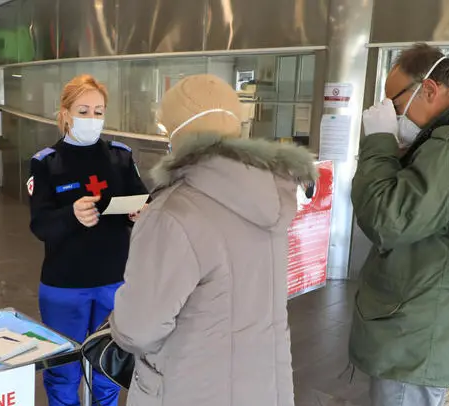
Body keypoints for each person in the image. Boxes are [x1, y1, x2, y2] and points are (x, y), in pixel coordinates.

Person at [110, 74, 316, 406]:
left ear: (177, 134)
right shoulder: (270, 195)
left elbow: (139, 329)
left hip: (190, 388)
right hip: (262, 388)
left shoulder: (174, 212)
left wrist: (116, 322)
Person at [351, 43, 449, 406]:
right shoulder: (447, 138)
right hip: (431, 316)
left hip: (415, 332)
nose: (392, 114)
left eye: (396, 104)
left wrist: (379, 143)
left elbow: (388, 218)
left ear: (430, 90)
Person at [28, 74, 148, 406]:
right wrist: (71, 215)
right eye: (83, 110)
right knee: (64, 370)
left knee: (108, 367)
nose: (92, 118)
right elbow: (40, 224)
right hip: (65, 285)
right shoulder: (46, 163)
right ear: (65, 113)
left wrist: (139, 212)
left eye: (98, 111)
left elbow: (140, 199)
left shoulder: (120, 156)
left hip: (114, 280)